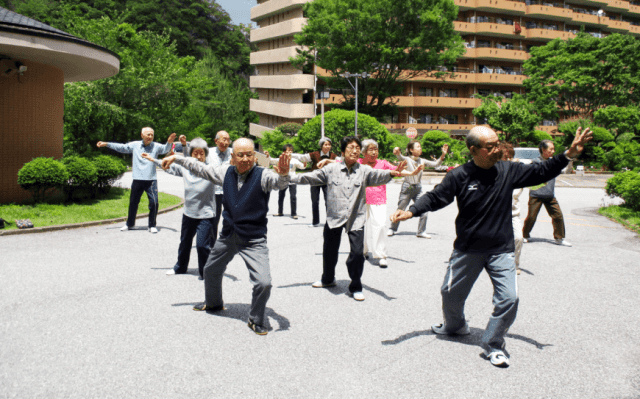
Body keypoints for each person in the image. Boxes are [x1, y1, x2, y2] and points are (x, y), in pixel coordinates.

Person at [391, 126, 592, 368]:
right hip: (468, 249)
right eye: (491, 146)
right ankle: (455, 326)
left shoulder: (509, 170)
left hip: (501, 249)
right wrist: (411, 211)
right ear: (473, 150)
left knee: (509, 298)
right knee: (450, 294)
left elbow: (542, 170)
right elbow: (436, 197)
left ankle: (494, 344)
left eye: (498, 143)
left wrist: (567, 155)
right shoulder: (459, 175)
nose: (497, 149)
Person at [161, 138, 291, 336]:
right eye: (241, 154)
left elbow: (279, 183)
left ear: (255, 157)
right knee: (211, 269)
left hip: (253, 239)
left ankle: (256, 319)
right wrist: (176, 157)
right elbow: (198, 167)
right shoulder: (225, 172)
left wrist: (283, 175)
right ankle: (213, 303)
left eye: (249, 154)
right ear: (233, 157)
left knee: (263, 283)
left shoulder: (262, 175)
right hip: (228, 235)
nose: (245, 158)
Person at [291, 136, 409, 301]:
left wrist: (392, 173)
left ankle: (355, 286)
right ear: (342, 151)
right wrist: (287, 177)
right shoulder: (330, 170)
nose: (355, 151)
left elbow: (378, 175)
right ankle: (328, 279)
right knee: (329, 251)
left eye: (357, 148)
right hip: (335, 216)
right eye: (351, 147)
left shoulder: (364, 170)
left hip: (356, 218)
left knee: (357, 253)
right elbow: (308, 177)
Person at [141, 138, 215, 280]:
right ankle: (180, 267)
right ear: (190, 154)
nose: (198, 157)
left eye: (201, 153)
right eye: (195, 153)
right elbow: (168, 166)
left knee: (202, 246)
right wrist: (152, 159)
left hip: (206, 215)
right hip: (189, 214)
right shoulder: (186, 169)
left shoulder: (210, 170)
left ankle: (205, 273)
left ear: (206, 155)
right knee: (185, 242)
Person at [97, 127, 176, 233]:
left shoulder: (156, 146)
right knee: (133, 203)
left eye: (152, 135)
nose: (150, 137)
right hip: (137, 179)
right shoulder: (135, 145)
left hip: (151, 180)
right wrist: (106, 144)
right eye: (148, 134)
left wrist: (169, 142)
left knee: (154, 203)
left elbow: (165, 149)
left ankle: (152, 225)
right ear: (142, 135)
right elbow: (122, 147)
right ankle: (129, 224)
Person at [179, 130, 233, 245]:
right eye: (224, 139)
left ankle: (228, 243)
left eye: (228, 140)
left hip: (230, 191)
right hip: (215, 192)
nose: (226, 142)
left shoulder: (233, 153)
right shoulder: (209, 153)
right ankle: (211, 246)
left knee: (231, 218)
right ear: (216, 141)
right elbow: (191, 161)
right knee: (213, 221)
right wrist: (184, 146)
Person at [388, 141, 449, 238]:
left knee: (424, 208)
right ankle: (392, 228)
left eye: (420, 147)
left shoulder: (422, 160)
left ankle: (421, 231)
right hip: (407, 187)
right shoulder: (407, 159)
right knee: (401, 208)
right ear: (411, 150)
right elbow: (399, 156)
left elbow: (436, 164)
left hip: (418, 188)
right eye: (418, 147)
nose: (420, 148)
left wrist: (443, 154)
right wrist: (397, 150)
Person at [522, 140, 573, 247]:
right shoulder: (535, 162)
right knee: (531, 217)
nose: (553, 151)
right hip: (536, 195)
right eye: (551, 149)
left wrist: (570, 159)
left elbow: (565, 169)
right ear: (543, 150)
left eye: (553, 149)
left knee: (558, 216)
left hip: (549, 195)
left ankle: (559, 238)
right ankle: (524, 235)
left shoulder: (554, 162)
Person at [291, 137, 338, 227]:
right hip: (314, 181)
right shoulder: (314, 154)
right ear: (321, 146)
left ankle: (330, 222)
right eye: (325, 144)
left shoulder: (333, 155)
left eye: (329, 144)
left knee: (328, 202)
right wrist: (291, 155)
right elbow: (302, 157)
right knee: (315, 201)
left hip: (327, 181)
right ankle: (315, 222)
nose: (327, 146)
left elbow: (341, 161)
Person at [500, 142, 524, 275]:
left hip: (513, 213)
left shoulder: (516, 172)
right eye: (505, 157)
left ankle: (514, 265)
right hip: (496, 214)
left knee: (518, 238)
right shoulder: (494, 171)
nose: (508, 160)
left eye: (510, 157)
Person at [265, 144, 305, 219]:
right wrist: (268, 156)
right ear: (284, 152)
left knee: (293, 197)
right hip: (282, 179)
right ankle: (280, 212)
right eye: (288, 150)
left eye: (291, 150)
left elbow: (302, 166)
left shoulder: (294, 160)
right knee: (281, 196)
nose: (289, 152)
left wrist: (305, 163)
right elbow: (272, 160)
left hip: (292, 180)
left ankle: (294, 214)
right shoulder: (281, 158)